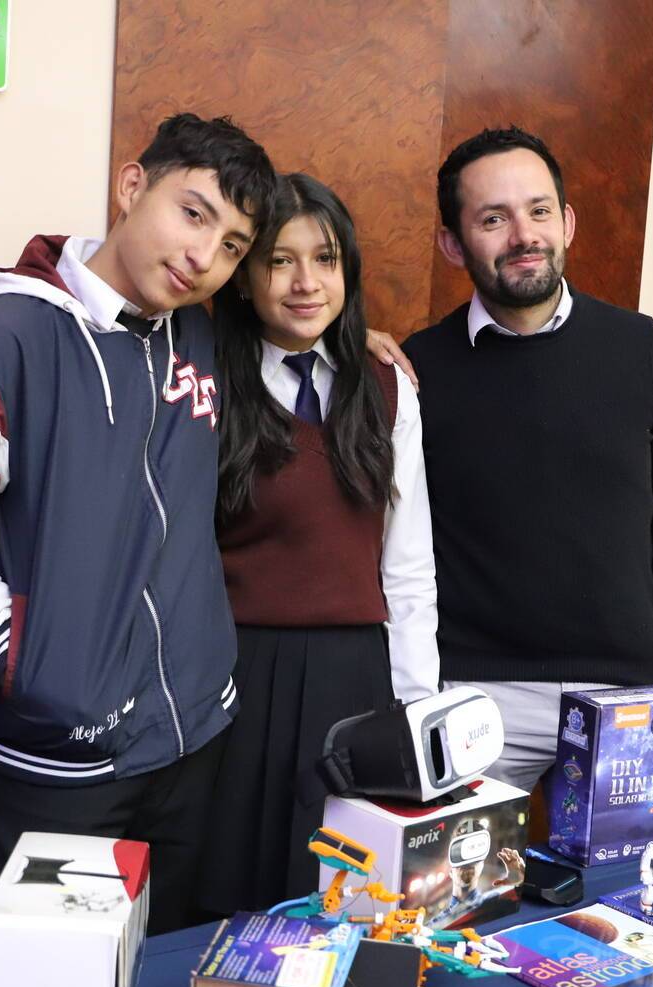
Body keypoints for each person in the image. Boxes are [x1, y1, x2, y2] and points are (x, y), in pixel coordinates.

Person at [0, 114, 278, 934]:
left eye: (231, 245)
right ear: (131, 186)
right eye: (193, 214)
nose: (203, 257)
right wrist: (33, 670)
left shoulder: (200, 334)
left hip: (194, 735)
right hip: (64, 760)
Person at [403, 126, 653, 794]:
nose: (523, 235)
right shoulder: (416, 370)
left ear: (566, 222)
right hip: (474, 695)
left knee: (626, 894)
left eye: (539, 211)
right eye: (493, 218)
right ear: (452, 242)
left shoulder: (644, 351)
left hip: (627, 692)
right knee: (462, 893)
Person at [199, 173, 438, 912]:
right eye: (280, 261)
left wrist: (416, 710)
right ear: (242, 279)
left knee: (339, 893)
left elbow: (408, 566)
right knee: (225, 885)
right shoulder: (202, 378)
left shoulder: (387, 386)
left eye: (326, 260)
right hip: (235, 674)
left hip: (355, 681)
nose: (307, 282)